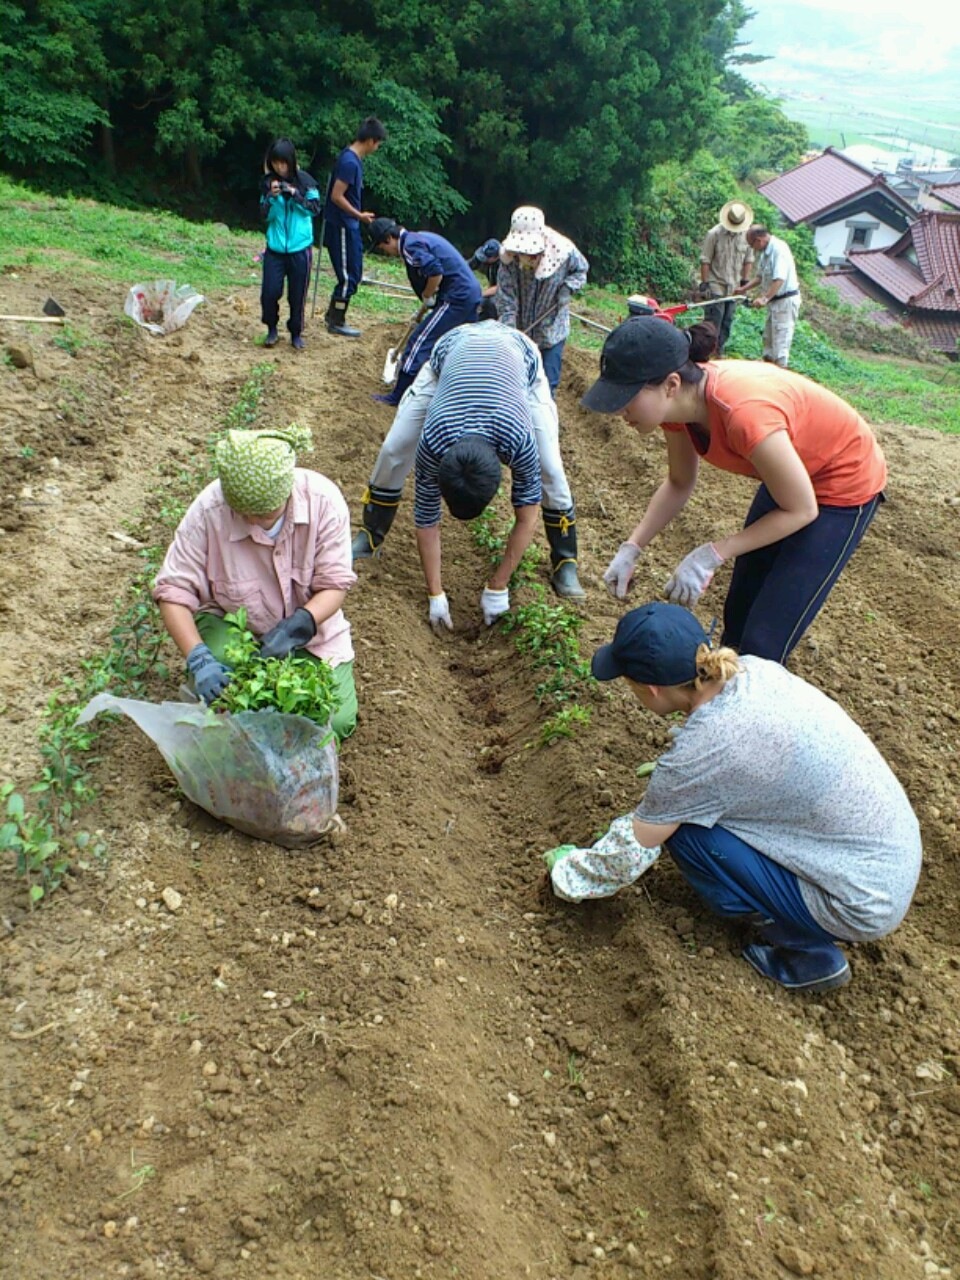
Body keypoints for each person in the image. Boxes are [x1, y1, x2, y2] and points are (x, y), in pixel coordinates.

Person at [554, 602, 921, 994]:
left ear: (653, 689)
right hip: (890, 858)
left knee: (686, 831)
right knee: (704, 812)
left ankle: (806, 951)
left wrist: (566, 876)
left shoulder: (704, 751)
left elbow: (631, 848)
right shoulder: (755, 670)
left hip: (859, 901)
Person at [583, 316, 886, 664]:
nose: (620, 411)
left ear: (671, 384)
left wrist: (713, 553)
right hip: (789, 474)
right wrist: (632, 547)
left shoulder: (744, 415)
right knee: (738, 616)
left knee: (764, 641)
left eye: (626, 398)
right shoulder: (675, 409)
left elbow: (802, 509)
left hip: (841, 484)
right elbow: (680, 482)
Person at [353, 320, 586, 618]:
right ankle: (371, 534)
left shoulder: (518, 438)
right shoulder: (435, 437)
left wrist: (499, 585)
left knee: (551, 467)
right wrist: (435, 593)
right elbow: (426, 518)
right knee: (394, 448)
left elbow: (527, 518)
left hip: (519, 354)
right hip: (454, 347)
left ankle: (565, 561)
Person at [153, 425, 359, 743]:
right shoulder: (209, 511)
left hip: (311, 638)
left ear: (287, 491)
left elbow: (335, 584)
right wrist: (199, 658)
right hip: (235, 630)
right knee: (221, 703)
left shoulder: (324, 503)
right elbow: (173, 592)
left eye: (263, 514)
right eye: (241, 512)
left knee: (335, 720)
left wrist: (299, 624)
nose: (251, 521)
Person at [368, 217, 482, 406]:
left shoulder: (409, 246)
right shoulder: (418, 238)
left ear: (388, 238)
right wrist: (427, 305)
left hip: (458, 296)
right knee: (460, 345)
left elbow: (435, 272)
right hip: (470, 293)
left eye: (382, 247)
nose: (386, 253)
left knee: (419, 341)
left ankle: (398, 395)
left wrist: (428, 294)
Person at [496, 206, 588, 396]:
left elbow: (581, 270)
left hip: (552, 330)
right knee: (515, 383)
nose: (527, 259)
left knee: (546, 387)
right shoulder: (508, 260)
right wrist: (510, 333)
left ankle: (543, 424)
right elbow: (506, 298)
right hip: (520, 329)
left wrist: (567, 288)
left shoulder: (564, 252)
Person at [322, 116, 386, 338]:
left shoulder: (353, 159)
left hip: (350, 225)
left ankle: (333, 314)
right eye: (377, 143)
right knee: (348, 276)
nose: (377, 148)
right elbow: (336, 196)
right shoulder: (349, 162)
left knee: (355, 272)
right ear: (370, 140)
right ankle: (336, 320)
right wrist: (359, 215)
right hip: (341, 225)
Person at [260, 139, 322, 351]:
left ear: (291, 161)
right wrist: (271, 198)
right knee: (269, 292)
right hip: (275, 250)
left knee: (297, 296)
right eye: (276, 163)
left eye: (283, 163)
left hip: (300, 249)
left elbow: (314, 209)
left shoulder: (306, 181)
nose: (280, 168)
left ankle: (296, 333)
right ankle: (271, 329)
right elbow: (263, 215)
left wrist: (295, 194)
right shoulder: (268, 183)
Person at [736, 224, 801, 367]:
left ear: (759, 240)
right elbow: (759, 277)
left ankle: (780, 375)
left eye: (752, 245)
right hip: (774, 302)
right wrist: (743, 289)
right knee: (768, 340)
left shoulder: (779, 250)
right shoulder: (765, 252)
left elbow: (779, 279)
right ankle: (768, 369)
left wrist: (765, 298)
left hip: (785, 301)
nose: (753, 249)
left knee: (780, 343)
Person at [697, 199, 754, 356]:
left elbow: (748, 260)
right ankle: (706, 351)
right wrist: (705, 283)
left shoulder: (747, 236)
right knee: (713, 321)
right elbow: (705, 260)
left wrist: (744, 282)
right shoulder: (714, 234)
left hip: (734, 286)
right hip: (717, 283)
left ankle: (719, 351)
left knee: (727, 321)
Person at [467, 237, 502, 320]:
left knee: (487, 303)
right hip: (490, 289)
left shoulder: (503, 265)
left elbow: (500, 287)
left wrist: (479, 295)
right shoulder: (482, 258)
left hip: (502, 294)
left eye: (487, 258)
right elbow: (466, 266)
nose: (483, 259)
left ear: (496, 257)